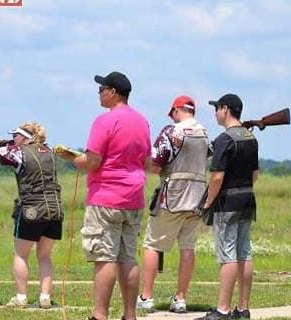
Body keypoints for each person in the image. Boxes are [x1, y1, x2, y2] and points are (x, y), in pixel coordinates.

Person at [57, 71, 151, 320]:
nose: (99, 94)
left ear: (112, 93)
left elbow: (92, 161)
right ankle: (130, 315)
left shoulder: (104, 121)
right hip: (134, 198)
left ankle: (100, 315)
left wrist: (70, 157)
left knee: (104, 258)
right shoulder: (142, 121)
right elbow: (148, 161)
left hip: (106, 197)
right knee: (128, 258)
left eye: (101, 89)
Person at [0, 122, 63, 309]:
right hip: (54, 209)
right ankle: (45, 297)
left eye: (16, 135)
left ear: (24, 137)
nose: (14, 138)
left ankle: (21, 297)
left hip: (31, 209)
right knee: (44, 256)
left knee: (21, 255)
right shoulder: (49, 151)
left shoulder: (19, 152)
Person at [137, 95, 210, 313]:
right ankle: (180, 298)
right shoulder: (204, 133)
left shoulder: (172, 131)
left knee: (152, 244)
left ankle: (146, 297)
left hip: (173, 196)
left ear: (177, 110)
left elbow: (157, 166)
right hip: (197, 197)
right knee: (188, 247)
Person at [195, 94, 258, 320]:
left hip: (227, 203)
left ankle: (222, 310)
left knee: (227, 255)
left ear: (225, 109)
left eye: (217, 108)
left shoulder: (224, 139)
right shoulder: (251, 137)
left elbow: (217, 177)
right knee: (244, 252)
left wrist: (207, 203)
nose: (215, 113)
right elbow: (255, 175)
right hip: (248, 199)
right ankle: (242, 308)